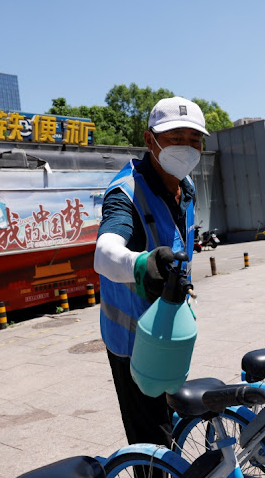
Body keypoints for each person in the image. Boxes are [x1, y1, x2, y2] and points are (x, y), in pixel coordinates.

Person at [93, 96, 207, 452]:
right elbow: (104, 253)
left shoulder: (184, 188)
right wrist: (140, 265)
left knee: (172, 424)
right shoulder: (125, 191)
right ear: (150, 140)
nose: (186, 148)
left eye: (194, 140)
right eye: (176, 138)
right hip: (132, 343)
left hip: (169, 331)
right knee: (151, 442)